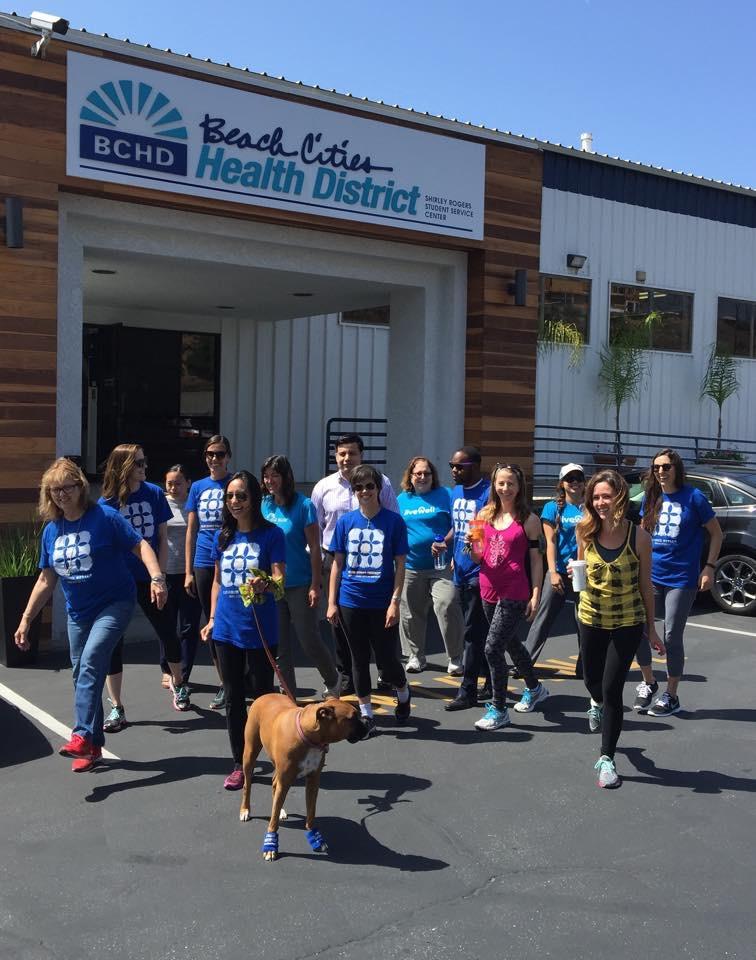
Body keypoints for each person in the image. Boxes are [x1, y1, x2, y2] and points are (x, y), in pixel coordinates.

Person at [14, 458, 166, 772]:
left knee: (92, 660)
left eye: (66, 488)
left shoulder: (105, 517)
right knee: (82, 673)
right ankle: (93, 744)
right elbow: (46, 579)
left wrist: (157, 577)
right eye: (53, 490)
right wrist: (27, 619)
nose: (60, 495)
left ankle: (81, 734)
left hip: (115, 603)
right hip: (78, 613)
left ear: (80, 487)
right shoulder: (51, 530)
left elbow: (141, 546)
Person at [575, 470, 664, 789]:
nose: (600, 502)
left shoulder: (639, 536)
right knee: (590, 679)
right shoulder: (584, 530)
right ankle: (595, 702)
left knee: (613, 688)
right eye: (595, 497)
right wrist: (575, 578)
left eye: (606, 496)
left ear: (620, 498)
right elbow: (580, 576)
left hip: (627, 621)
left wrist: (651, 630)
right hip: (591, 618)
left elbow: (646, 586)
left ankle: (606, 758)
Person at [200, 471, 286, 790]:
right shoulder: (222, 536)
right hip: (226, 628)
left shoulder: (271, 535)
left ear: (254, 499)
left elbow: (280, 581)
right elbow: (219, 582)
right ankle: (241, 762)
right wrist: (211, 619)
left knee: (264, 700)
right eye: (230, 496)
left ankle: (278, 756)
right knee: (234, 698)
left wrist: (266, 582)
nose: (234, 502)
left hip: (260, 629)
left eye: (241, 496)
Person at [99, 444, 187, 726]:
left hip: (150, 578)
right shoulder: (107, 503)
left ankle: (179, 682)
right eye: (138, 463)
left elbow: (161, 537)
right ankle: (117, 706)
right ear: (123, 466)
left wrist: (157, 576)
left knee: (167, 630)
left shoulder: (152, 493)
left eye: (143, 462)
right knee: (114, 641)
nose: (144, 467)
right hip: (119, 582)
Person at [633, 448, 723, 717]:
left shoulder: (694, 497)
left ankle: (671, 695)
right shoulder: (651, 497)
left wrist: (709, 567)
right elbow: (642, 534)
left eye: (667, 467)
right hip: (651, 574)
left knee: (671, 635)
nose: (661, 471)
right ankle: (649, 682)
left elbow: (716, 534)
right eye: (657, 467)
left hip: (681, 578)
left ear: (677, 469)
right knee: (638, 627)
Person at [326, 465, 412, 738]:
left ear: (378, 489)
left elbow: (400, 565)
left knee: (387, 660)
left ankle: (402, 690)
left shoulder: (393, 522)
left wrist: (395, 602)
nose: (364, 492)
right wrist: (332, 602)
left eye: (369, 487)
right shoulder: (345, 522)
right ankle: (367, 714)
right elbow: (337, 566)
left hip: (381, 602)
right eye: (359, 488)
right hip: (351, 600)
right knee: (358, 659)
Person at [311, 432, 399, 695]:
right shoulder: (323, 487)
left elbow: (394, 518)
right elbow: (314, 528)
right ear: (336, 457)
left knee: (380, 622)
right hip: (335, 560)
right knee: (339, 620)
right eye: (342, 453)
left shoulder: (381, 482)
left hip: (375, 562)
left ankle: (386, 673)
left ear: (361, 455)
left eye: (352, 453)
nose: (346, 458)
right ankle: (347, 675)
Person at [470, 464, 548, 731]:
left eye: (510, 484)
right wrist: (472, 545)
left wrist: (536, 594)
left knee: (492, 648)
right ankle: (535, 688)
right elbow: (477, 556)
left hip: (514, 591)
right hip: (487, 588)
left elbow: (537, 561)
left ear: (519, 487)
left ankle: (499, 708)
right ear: (494, 485)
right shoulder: (483, 515)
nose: (505, 488)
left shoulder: (529, 519)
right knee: (511, 643)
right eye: (500, 483)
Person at [261, 454, 341, 699]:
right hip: (273, 585)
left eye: (275, 475)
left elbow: (315, 548)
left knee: (309, 640)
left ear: (286, 477)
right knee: (280, 647)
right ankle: (289, 697)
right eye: (266, 476)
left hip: (299, 583)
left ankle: (333, 679)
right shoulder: (264, 504)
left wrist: (316, 584)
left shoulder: (303, 505)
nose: (269, 480)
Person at [396, 456, 463, 675]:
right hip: (411, 566)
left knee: (447, 603)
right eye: (418, 473)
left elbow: (459, 524)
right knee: (410, 614)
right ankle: (416, 656)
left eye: (427, 473)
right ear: (411, 476)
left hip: (441, 566)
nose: (422, 477)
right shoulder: (402, 500)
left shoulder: (445, 495)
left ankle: (455, 657)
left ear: (433, 476)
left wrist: (446, 541)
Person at [524, 463, 585, 675]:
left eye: (579, 477)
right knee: (543, 618)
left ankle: (584, 666)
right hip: (558, 569)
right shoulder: (553, 508)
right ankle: (525, 662)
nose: (575, 482)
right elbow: (549, 542)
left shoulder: (590, 508)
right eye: (570, 479)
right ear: (562, 483)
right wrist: (553, 573)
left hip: (581, 571)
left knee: (583, 620)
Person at [185, 434, 233, 710]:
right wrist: (189, 571)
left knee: (233, 617)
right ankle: (225, 683)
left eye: (219, 454)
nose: (214, 459)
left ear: (228, 456)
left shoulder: (235, 483)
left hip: (232, 559)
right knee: (212, 621)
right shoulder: (199, 487)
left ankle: (240, 676)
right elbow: (192, 529)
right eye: (210, 454)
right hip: (204, 560)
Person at [444, 446, 493, 712]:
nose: (453, 470)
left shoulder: (487, 494)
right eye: (452, 465)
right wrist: (446, 542)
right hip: (460, 570)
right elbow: (459, 526)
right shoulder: (455, 492)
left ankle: (468, 691)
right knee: (479, 632)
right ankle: (493, 682)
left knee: (471, 633)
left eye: (459, 466)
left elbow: (480, 533)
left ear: (475, 465)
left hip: (478, 572)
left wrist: (467, 551)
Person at [162, 464, 202, 690]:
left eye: (178, 483)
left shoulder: (193, 505)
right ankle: (167, 669)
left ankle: (183, 673)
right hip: (166, 572)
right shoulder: (162, 504)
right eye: (169, 483)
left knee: (189, 627)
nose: (173, 487)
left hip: (190, 573)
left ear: (188, 483)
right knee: (166, 625)